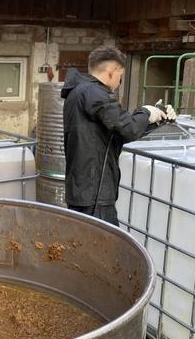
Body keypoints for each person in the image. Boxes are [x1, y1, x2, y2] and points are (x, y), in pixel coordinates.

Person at [61, 45, 176, 226]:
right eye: (121, 76)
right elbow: (127, 127)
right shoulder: (94, 93)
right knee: (105, 248)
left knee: (84, 245)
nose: (119, 82)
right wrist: (145, 112)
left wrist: (156, 118)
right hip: (95, 193)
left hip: (84, 188)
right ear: (113, 71)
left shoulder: (81, 92)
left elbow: (118, 132)